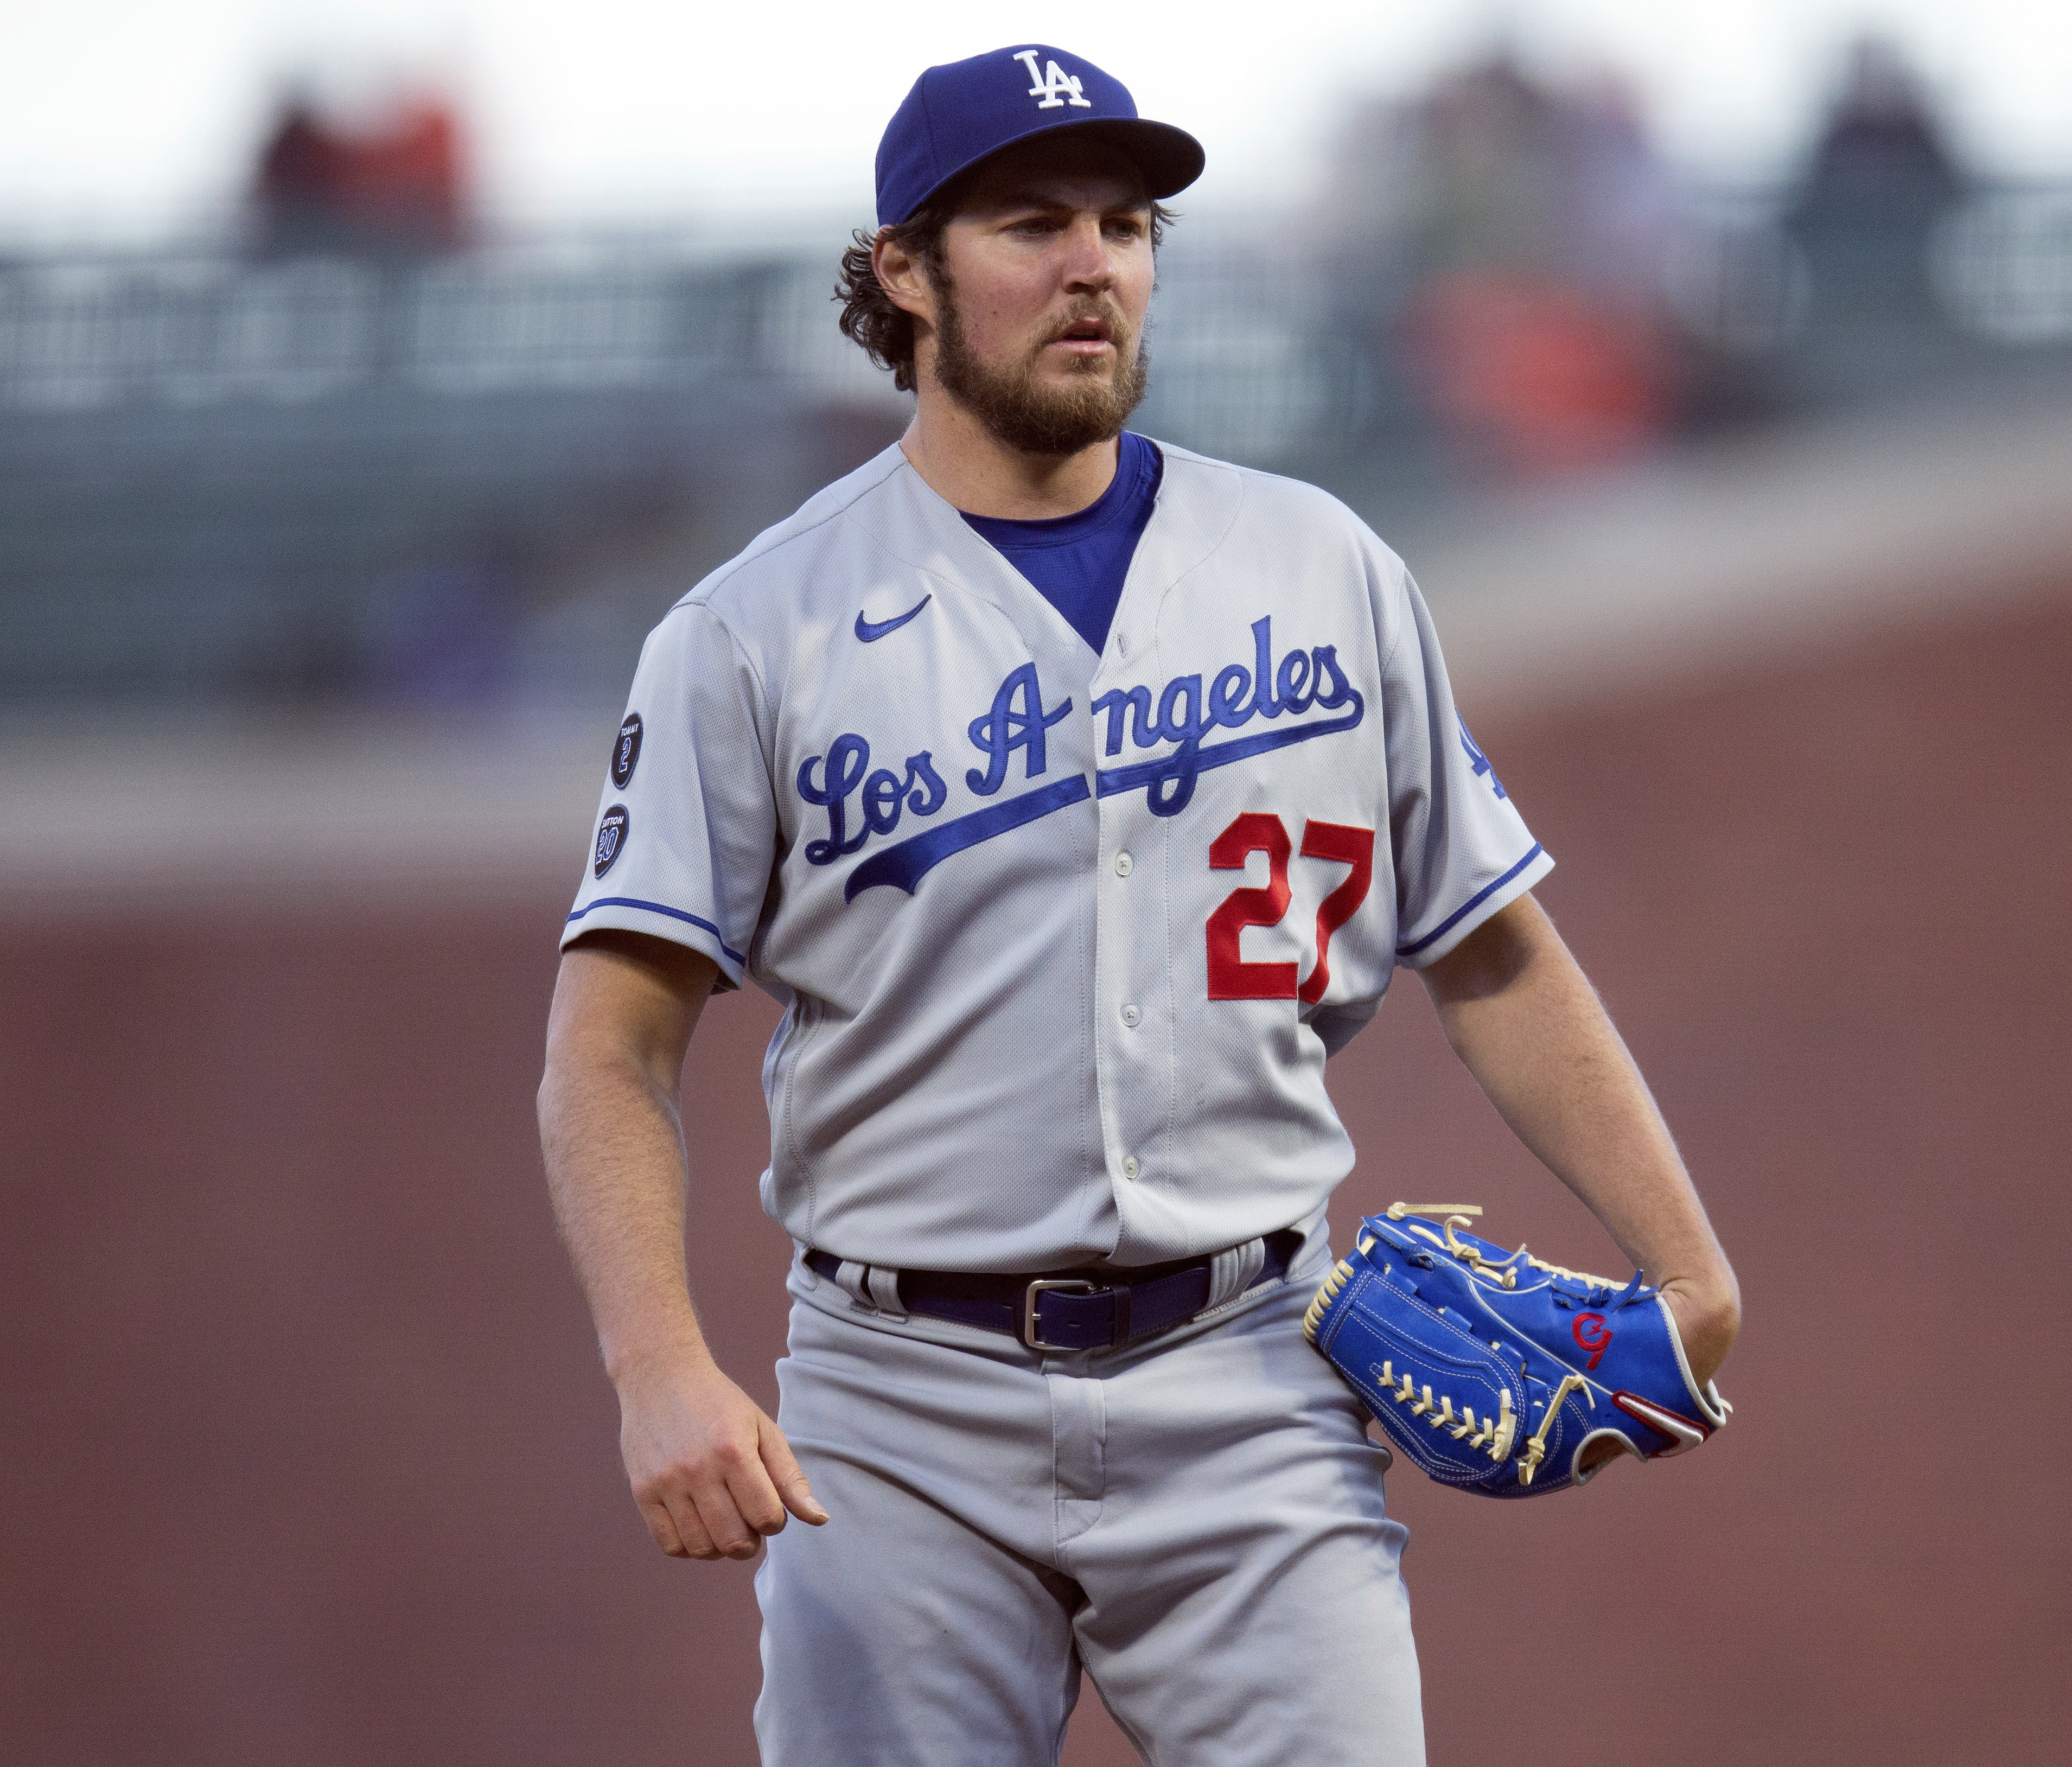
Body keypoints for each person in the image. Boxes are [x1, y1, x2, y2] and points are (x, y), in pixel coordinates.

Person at [535, 43, 1739, 1767]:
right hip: (899, 1401)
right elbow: (607, 1049)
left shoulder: (1320, 566)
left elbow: (1493, 945)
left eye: (1128, 221)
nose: (1095, 261)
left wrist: (1691, 1266)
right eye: (1033, 221)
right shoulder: (755, 628)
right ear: (903, 271)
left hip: (1251, 1372)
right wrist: (657, 1362)